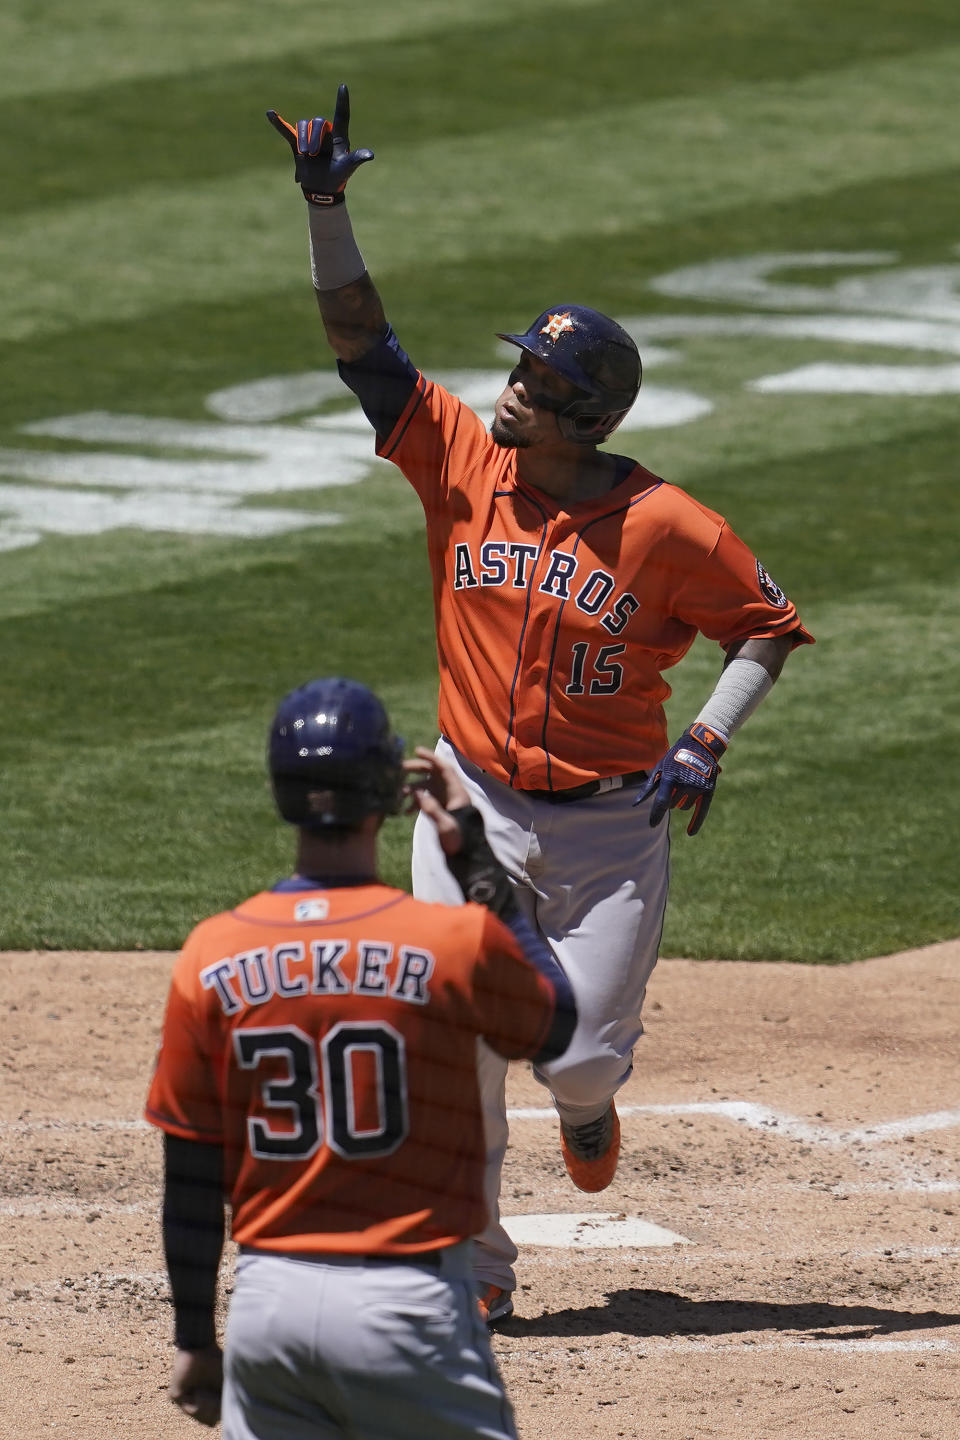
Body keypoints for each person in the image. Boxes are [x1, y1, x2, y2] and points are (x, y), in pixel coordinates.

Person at [266, 87, 815, 1325]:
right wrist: (325, 206)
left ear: (586, 413)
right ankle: (483, 1267)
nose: (509, 388)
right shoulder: (460, 459)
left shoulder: (671, 527)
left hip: (611, 832)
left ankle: (588, 1104)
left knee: (567, 1053)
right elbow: (363, 341)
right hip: (466, 802)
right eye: (518, 369)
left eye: (535, 379)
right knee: (451, 1036)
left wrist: (708, 738)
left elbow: (766, 630)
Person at [144, 675, 576, 1437]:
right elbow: (557, 1025)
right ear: (390, 793)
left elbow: (190, 1174)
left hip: (267, 1308)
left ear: (281, 794)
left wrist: (193, 1340)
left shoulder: (211, 955)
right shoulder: (447, 943)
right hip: (407, 1306)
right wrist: (474, 852)